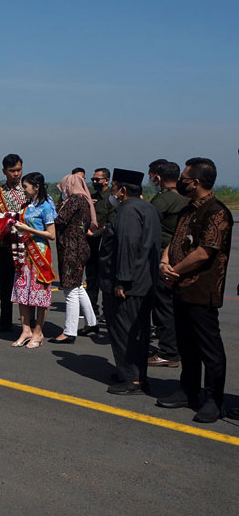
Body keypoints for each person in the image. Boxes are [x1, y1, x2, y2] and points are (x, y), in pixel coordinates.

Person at [158, 158, 233, 423]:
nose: (182, 181)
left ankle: (214, 399)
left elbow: (204, 252)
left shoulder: (216, 212)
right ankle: (187, 390)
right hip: (180, 287)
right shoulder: (187, 209)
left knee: (209, 347)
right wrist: (165, 261)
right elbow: (175, 239)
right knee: (186, 344)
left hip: (202, 289)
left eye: (186, 178)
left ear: (197, 182)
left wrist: (175, 268)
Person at [99, 169, 161, 395]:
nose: (112, 192)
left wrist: (121, 282)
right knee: (139, 331)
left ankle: (131, 380)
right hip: (145, 280)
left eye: (113, 187)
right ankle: (136, 374)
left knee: (123, 331)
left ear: (123, 190)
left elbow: (127, 246)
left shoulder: (127, 211)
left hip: (128, 283)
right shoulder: (148, 208)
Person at [146, 160, 187, 368]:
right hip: (178, 257)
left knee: (163, 307)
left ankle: (168, 351)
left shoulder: (163, 200)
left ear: (158, 177)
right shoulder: (183, 197)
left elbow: (148, 222)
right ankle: (174, 347)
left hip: (163, 258)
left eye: (151, 176)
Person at [9, 172, 57, 349]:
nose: (23, 190)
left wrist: (28, 229)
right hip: (24, 256)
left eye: (26, 187)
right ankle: (25, 330)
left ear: (36, 187)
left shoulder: (45, 207)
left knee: (39, 295)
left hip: (40, 255)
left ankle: (38, 331)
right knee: (22, 293)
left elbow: (51, 234)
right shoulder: (25, 207)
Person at [51, 172, 99, 343]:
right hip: (79, 247)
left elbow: (59, 220)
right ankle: (91, 322)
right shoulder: (85, 200)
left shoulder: (74, 200)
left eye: (63, 188)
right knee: (77, 287)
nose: (62, 191)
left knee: (69, 289)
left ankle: (69, 331)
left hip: (72, 249)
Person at [0, 154, 27, 334]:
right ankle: (5, 321)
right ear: (4, 171)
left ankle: (28, 322)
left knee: (25, 283)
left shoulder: (28, 189)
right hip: (3, 244)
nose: (16, 174)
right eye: (12, 171)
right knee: (5, 284)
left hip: (25, 243)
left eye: (19, 170)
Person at [85, 167, 116, 323]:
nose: (95, 182)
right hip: (91, 244)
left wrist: (95, 234)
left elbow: (111, 223)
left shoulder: (111, 199)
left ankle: (107, 311)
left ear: (106, 181)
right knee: (91, 279)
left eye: (98, 180)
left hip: (105, 243)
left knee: (105, 280)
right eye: (93, 180)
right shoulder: (92, 197)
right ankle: (92, 310)